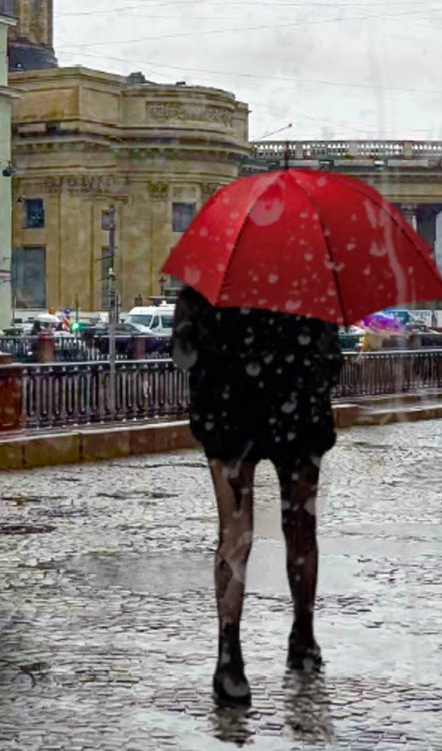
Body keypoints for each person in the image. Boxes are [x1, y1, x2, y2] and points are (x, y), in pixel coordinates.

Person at [172, 285, 344, 706]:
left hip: (230, 408)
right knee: (301, 528)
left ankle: (229, 657)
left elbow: (182, 352)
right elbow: (332, 360)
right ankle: (303, 637)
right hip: (297, 409)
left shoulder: (211, 276)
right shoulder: (308, 279)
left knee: (234, 533)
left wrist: (221, 364)